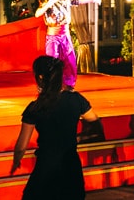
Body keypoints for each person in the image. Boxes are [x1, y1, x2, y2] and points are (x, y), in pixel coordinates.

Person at [10, 55, 101, 200]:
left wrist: (16, 160)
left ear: (40, 77)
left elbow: (22, 145)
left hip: (47, 167)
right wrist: (77, 138)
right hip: (70, 165)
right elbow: (95, 124)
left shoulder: (36, 108)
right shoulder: (76, 99)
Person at [34, 0, 101, 89]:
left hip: (65, 36)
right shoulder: (48, 1)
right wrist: (48, 4)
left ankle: (68, 85)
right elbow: (37, 14)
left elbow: (78, 0)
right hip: (53, 38)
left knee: (69, 61)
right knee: (52, 61)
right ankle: (50, 85)